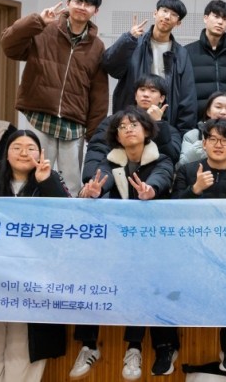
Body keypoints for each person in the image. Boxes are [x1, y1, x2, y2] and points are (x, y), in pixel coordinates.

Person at [72, 108, 176, 379]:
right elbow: (101, 181)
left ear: (147, 130)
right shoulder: (110, 160)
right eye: (122, 126)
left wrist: (150, 190)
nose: (128, 129)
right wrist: (93, 191)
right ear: (116, 136)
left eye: (134, 124)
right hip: (119, 241)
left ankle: (134, 348)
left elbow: (162, 178)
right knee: (89, 272)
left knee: (141, 280)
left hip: (152, 243)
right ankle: (88, 345)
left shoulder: (162, 158)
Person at [0, 131, 68, 381]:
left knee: (23, 343)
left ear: (40, 153)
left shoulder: (51, 177)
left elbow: (64, 217)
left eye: (30, 148)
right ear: (6, 153)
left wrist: (46, 181)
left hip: (35, 276)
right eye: (17, 147)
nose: (23, 153)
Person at [0, 0, 108, 195]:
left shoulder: (97, 46)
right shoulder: (44, 30)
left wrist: (94, 133)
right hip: (40, 115)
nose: (82, 7)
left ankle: (68, 216)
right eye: (77, 1)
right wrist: (37, 21)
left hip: (74, 122)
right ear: (68, 3)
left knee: (72, 182)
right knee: (33, 174)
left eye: (88, 4)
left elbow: (99, 93)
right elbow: (8, 46)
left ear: (95, 11)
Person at [171, 119, 226, 376]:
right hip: (190, 250)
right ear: (203, 143)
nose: (219, 145)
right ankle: (165, 349)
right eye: (213, 139)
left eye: (225, 140)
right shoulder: (187, 170)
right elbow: (170, 211)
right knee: (163, 284)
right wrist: (195, 189)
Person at [102, 0, 197, 133]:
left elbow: (187, 96)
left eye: (174, 14)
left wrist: (183, 132)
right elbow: (110, 66)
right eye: (164, 11)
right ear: (155, 13)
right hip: (130, 118)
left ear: (178, 23)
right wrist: (128, 38)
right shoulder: (134, 42)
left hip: (164, 118)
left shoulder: (181, 54)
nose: (167, 17)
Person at [82, 73, 181, 183]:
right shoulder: (114, 121)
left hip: (152, 184)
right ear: (135, 95)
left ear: (162, 98)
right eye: (142, 90)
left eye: (153, 91)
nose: (146, 94)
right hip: (114, 183)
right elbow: (97, 150)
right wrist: (91, 181)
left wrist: (158, 124)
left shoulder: (169, 130)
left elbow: (170, 159)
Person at [186, 0, 226, 118]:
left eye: (225, 19)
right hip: (196, 121)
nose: (220, 22)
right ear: (205, 18)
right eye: (216, 17)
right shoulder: (187, 53)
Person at [178, 91, 226, 167]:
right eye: (218, 107)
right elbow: (181, 165)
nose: (223, 112)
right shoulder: (192, 136)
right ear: (208, 111)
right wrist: (203, 146)